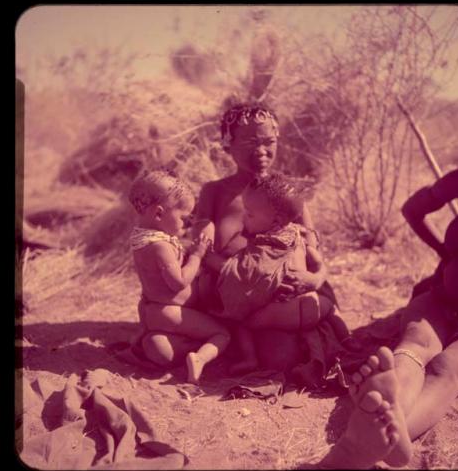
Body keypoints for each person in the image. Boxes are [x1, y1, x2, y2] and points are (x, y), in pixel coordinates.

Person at [334, 104, 458, 468]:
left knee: (448, 367)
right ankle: (382, 423)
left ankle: (388, 437)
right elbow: (412, 208)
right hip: (442, 298)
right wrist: (445, 253)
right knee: (412, 349)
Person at [192, 102, 352, 378]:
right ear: (228, 144)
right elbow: (202, 233)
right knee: (277, 357)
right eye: (251, 142)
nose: (262, 151)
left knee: (287, 355)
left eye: (269, 142)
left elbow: (313, 248)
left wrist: (313, 279)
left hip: (287, 295)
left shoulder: (286, 193)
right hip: (238, 294)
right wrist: (203, 236)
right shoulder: (215, 191)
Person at [202, 173, 353, 374]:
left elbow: (245, 273)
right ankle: (349, 340)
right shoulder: (299, 235)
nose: (244, 217)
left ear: (275, 222)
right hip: (312, 307)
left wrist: (210, 259)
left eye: (249, 214)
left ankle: (249, 358)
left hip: (282, 312)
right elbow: (318, 262)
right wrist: (316, 278)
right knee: (332, 310)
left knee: (241, 322)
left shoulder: (264, 247)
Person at [128, 169, 230, 384]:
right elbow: (178, 283)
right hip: (171, 313)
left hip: (152, 310)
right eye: (183, 218)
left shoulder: (141, 239)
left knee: (163, 349)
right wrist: (197, 255)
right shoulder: (161, 247)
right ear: (158, 214)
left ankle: (152, 341)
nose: (186, 224)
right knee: (222, 335)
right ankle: (200, 358)